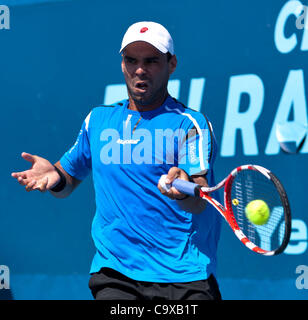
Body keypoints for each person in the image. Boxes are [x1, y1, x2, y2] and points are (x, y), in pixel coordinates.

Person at [11, 21, 222, 300]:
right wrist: (54, 177)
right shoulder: (97, 120)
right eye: (131, 60)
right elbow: (67, 181)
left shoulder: (190, 124)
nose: (139, 69)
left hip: (184, 276)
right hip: (116, 275)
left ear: (172, 64)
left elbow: (197, 197)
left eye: (151, 61)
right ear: (122, 64)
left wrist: (181, 189)